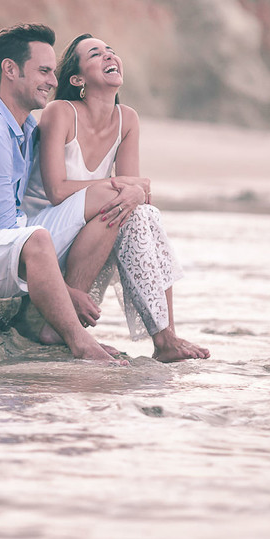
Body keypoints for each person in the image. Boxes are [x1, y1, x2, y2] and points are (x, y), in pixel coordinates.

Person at [0, 24, 129, 364]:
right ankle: (79, 342)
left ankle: (57, 325)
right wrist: (67, 292)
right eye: (44, 71)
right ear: (10, 70)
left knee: (109, 199)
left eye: (52, 71)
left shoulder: (25, 127)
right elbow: (4, 228)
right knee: (35, 239)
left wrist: (130, 189)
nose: (52, 80)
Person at [23, 33, 210, 363]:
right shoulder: (60, 112)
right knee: (121, 202)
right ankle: (59, 321)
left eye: (111, 51)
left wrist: (135, 191)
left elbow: (134, 196)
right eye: (96, 54)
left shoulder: (128, 119)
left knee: (142, 215)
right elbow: (55, 192)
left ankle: (165, 337)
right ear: (77, 78)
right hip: (41, 235)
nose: (109, 56)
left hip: (89, 233)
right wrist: (131, 188)